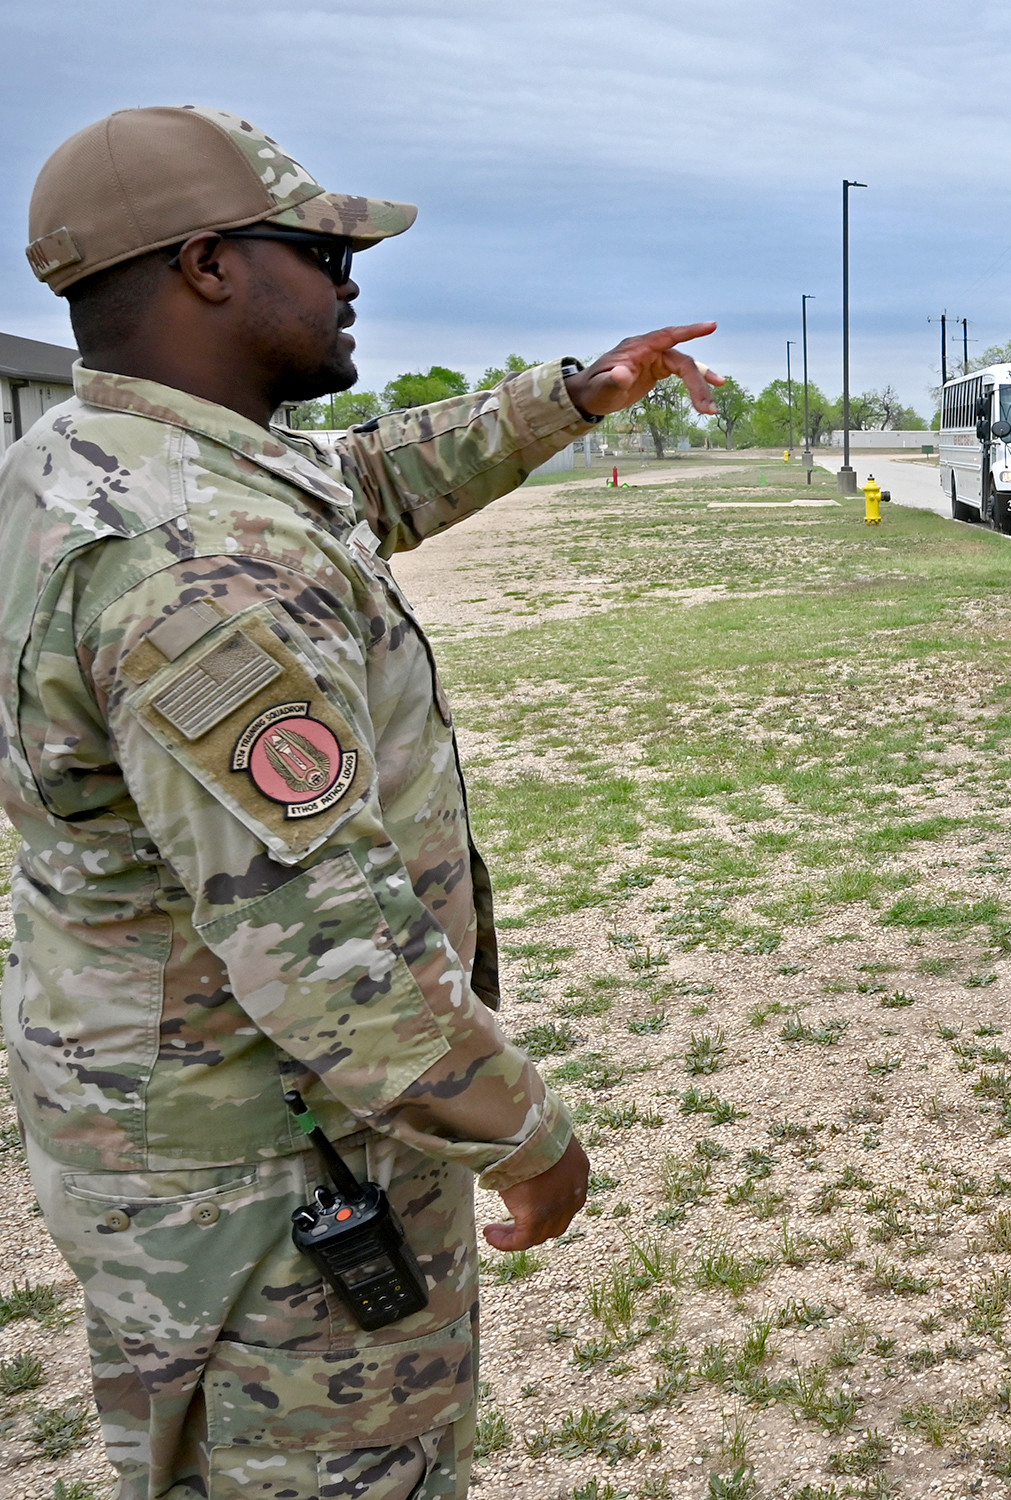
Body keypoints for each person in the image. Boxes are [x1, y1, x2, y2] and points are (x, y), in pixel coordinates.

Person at [4, 105, 720, 1498]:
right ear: (207, 266)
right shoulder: (197, 558)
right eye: (318, 249)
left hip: (178, 1140)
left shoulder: (111, 463)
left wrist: (572, 394)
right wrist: (525, 1132)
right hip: (268, 1177)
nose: (350, 277)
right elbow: (326, 947)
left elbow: (366, 479)